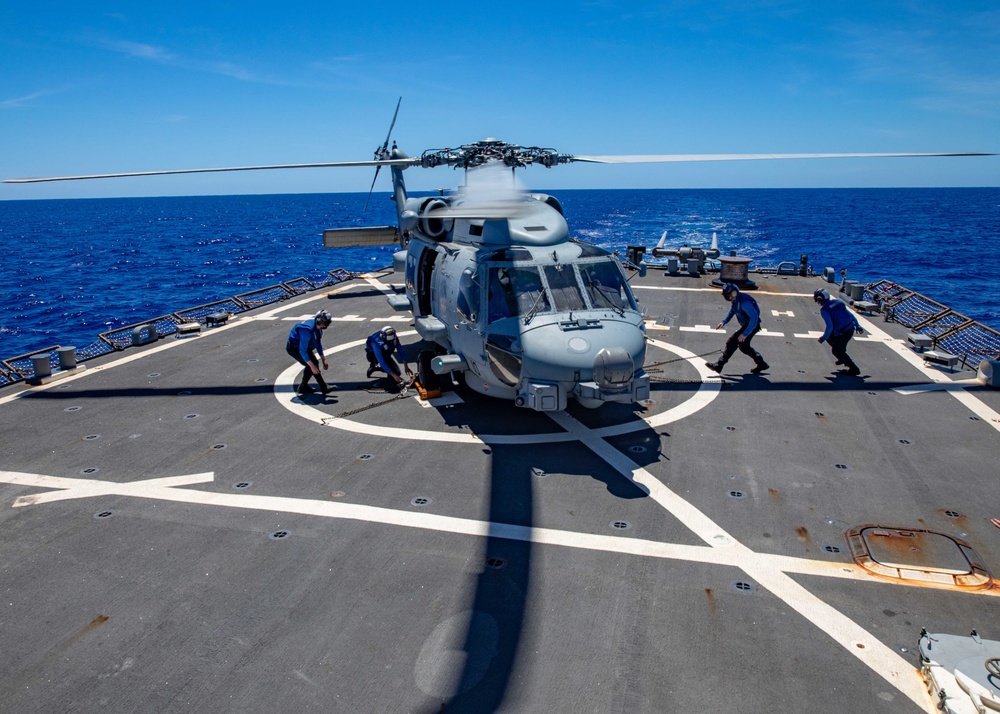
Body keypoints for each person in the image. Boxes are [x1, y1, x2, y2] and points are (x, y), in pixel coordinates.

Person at [706, 283, 769, 374]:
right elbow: (732, 310)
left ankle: (719, 365)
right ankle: (761, 364)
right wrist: (724, 322)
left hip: (752, 326)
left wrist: (745, 333)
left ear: (733, 293)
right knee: (744, 347)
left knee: (732, 342)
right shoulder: (736, 300)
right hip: (748, 325)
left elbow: (754, 318)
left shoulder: (744, 303)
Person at [814, 289, 863, 376]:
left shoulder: (824, 310)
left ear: (819, 299)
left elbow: (829, 326)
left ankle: (854, 369)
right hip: (850, 329)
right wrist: (857, 325)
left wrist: (823, 338)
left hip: (843, 333)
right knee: (830, 338)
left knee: (836, 351)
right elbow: (850, 315)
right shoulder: (838, 302)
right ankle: (842, 358)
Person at [286, 310, 334, 395]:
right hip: (295, 349)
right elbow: (302, 350)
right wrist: (312, 366)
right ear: (319, 321)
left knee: (313, 364)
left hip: (304, 347)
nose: (326, 325)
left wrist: (323, 359)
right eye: (325, 323)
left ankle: (304, 387)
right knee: (312, 365)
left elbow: (317, 343)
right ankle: (323, 387)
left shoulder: (318, 328)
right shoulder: (306, 331)